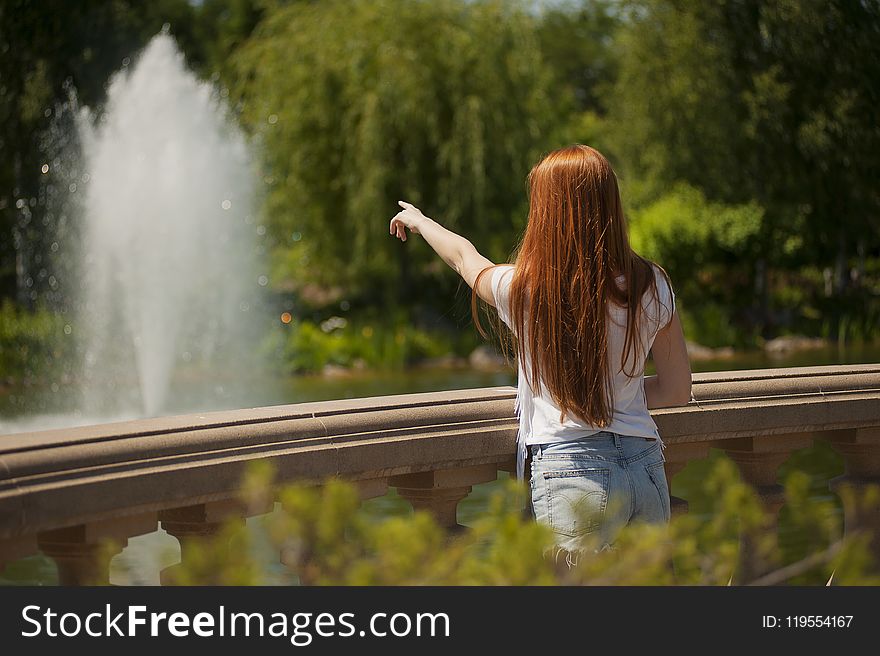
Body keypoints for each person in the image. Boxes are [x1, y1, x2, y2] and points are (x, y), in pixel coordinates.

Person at [388, 144, 692, 562]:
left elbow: (464, 258)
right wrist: (615, 397)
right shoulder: (652, 284)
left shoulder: (527, 290)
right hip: (644, 467)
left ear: (547, 213)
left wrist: (421, 222)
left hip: (572, 472)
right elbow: (677, 390)